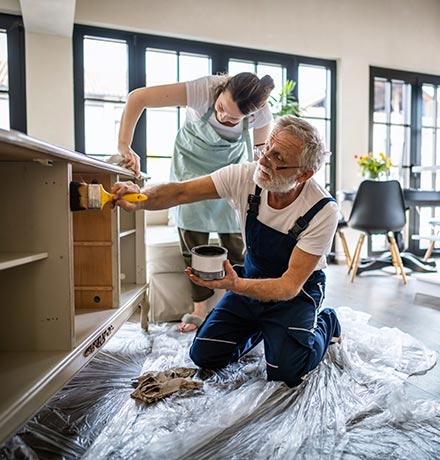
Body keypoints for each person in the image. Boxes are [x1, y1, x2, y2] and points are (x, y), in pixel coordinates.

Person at [112, 115, 342, 388]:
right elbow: (181, 192)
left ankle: (328, 322)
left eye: (277, 156)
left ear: (303, 174)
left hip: (296, 292)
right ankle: (263, 327)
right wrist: (140, 197)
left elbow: (289, 286)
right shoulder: (247, 176)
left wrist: (235, 285)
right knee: (204, 355)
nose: (264, 158)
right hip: (251, 280)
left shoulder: (322, 210)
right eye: (266, 147)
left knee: (287, 373)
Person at [118, 72, 275, 332]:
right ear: (222, 90)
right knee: (194, 242)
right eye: (222, 108)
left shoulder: (261, 114)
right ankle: (199, 308)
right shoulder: (203, 90)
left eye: (234, 118)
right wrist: (125, 145)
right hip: (190, 166)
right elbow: (139, 97)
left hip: (229, 172)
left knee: (237, 244)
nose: (224, 117)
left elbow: (260, 158)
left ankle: (242, 307)